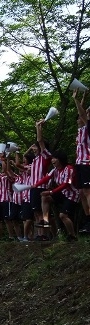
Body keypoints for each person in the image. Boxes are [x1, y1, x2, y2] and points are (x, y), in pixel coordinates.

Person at [31, 150, 80, 241]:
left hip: (72, 195)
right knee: (44, 197)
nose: (52, 160)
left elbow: (66, 184)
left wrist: (51, 192)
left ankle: (72, 235)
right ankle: (45, 220)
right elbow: (47, 178)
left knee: (63, 216)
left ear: (60, 159)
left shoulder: (69, 169)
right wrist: (35, 185)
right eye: (52, 158)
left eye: (55, 158)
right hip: (63, 193)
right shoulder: (55, 170)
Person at [28, 120, 53, 240]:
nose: (34, 149)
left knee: (44, 213)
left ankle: (46, 234)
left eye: (36, 148)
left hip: (41, 188)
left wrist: (38, 128)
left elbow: (40, 141)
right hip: (33, 188)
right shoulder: (34, 160)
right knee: (36, 213)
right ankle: (40, 234)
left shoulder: (46, 156)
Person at [72, 88, 90, 233]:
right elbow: (80, 114)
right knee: (83, 194)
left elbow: (82, 114)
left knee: (88, 192)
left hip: (87, 163)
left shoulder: (89, 127)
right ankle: (87, 218)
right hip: (79, 164)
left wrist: (75, 99)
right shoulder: (81, 130)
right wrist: (83, 96)